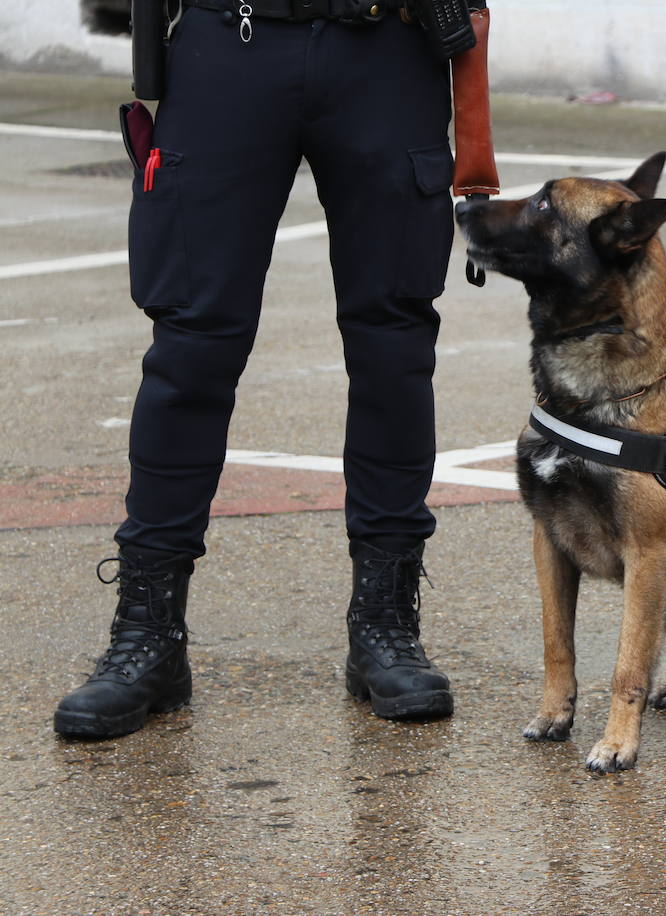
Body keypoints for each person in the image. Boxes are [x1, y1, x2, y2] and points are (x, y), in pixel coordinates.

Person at [53, 0, 496, 739]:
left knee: (393, 343)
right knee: (190, 347)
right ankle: (149, 634)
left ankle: (385, 625)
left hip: (387, 45)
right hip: (229, 40)